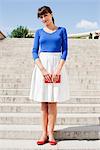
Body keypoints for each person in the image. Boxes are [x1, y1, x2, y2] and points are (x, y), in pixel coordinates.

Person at [29, 6, 70, 145]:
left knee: (53, 101)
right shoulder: (39, 32)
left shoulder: (62, 30)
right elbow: (34, 51)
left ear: (51, 14)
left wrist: (58, 69)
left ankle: (51, 133)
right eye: (41, 17)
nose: (43, 19)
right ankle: (43, 133)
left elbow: (65, 51)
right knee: (43, 101)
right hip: (42, 67)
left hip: (57, 66)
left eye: (45, 15)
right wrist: (43, 70)